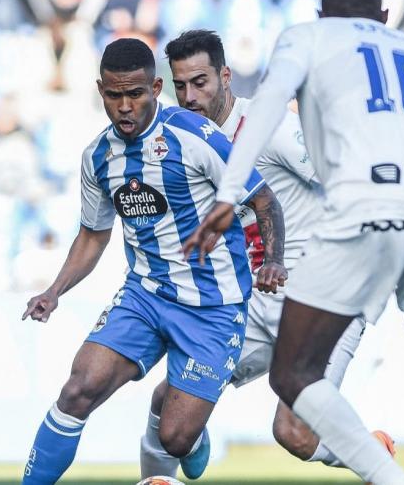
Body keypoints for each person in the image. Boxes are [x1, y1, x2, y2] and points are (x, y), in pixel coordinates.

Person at [184, 0, 404, 484]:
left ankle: (390, 479)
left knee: (292, 374)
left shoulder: (308, 38)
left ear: (320, 14)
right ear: (383, 16)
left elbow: (267, 105)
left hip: (363, 204)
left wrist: (229, 193)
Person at [20, 38, 287, 484]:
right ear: (100, 90)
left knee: (176, 439)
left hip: (214, 307)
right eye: (113, 95)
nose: (124, 106)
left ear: (156, 87)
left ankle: (192, 434)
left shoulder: (196, 136)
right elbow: (92, 236)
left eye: (136, 94)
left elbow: (263, 199)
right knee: (77, 389)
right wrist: (54, 291)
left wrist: (273, 260)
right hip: (144, 296)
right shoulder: (98, 157)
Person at [139, 29, 391, 481]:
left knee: (293, 433)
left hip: (320, 296)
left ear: (226, 76)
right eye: (181, 85)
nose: (191, 96)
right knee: (171, 403)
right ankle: (157, 478)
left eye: (201, 82)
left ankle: (376, 458)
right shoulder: (180, 139)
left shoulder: (271, 126)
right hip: (253, 300)